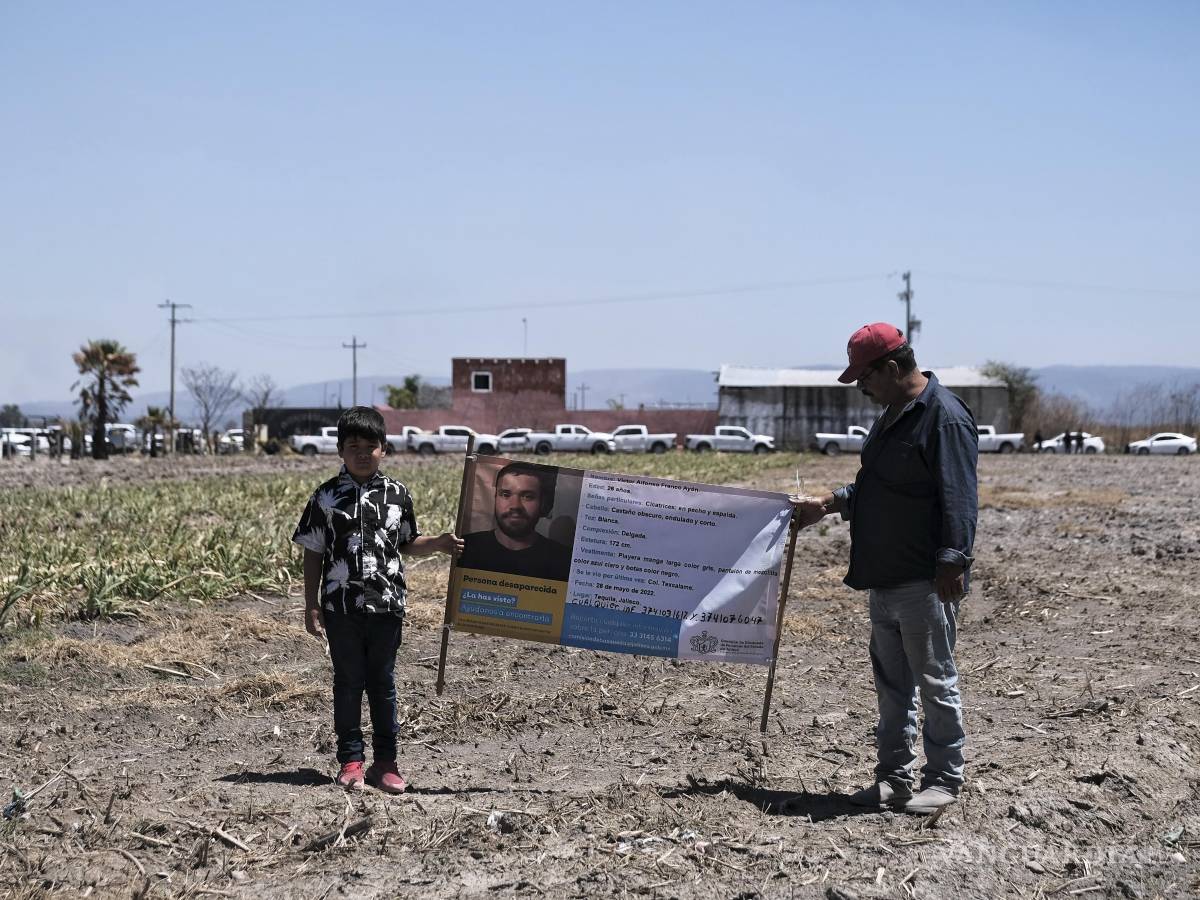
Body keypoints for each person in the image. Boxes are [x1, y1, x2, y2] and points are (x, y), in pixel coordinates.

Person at [793, 323, 978, 815]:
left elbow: (960, 497)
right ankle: (894, 778)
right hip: (885, 575)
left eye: (865, 378)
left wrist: (953, 561)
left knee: (934, 681)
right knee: (892, 686)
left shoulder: (944, 418)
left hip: (924, 579)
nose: (862, 387)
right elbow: (877, 488)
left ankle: (944, 779)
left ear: (893, 368)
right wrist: (828, 503)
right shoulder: (893, 414)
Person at [292, 406, 462, 793]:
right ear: (340, 450)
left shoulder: (397, 494)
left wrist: (438, 543)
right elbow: (313, 551)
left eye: (370, 446)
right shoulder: (325, 497)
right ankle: (351, 761)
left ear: (384, 448)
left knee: (383, 683)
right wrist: (311, 603)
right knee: (348, 683)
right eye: (353, 446)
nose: (362, 453)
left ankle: (386, 764)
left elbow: (407, 541)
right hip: (341, 607)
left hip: (387, 606)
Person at [459, 461, 573, 581]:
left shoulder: (565, 559)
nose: (515, 506)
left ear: (542, 503)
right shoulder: (465, 547)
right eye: (505, 494)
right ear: (495, 498)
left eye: (528, 496)